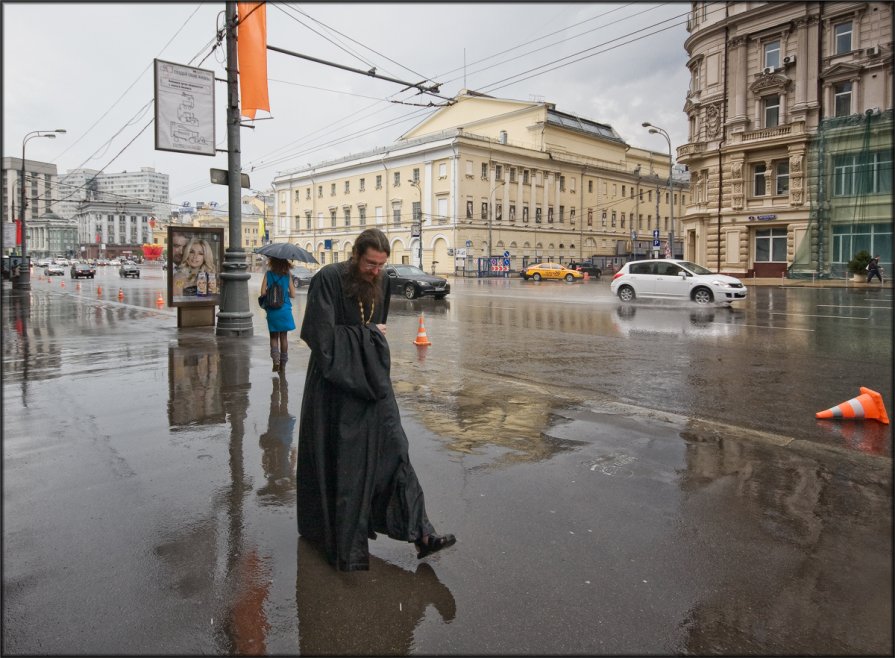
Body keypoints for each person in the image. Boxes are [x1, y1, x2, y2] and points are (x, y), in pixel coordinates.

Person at [296, 227, 456, 571]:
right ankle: (347, 548)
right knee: (349, 466)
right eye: (370, 264)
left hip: (372, 384)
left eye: (380, 265)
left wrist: (368, 338)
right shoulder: (328, 278)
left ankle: (422, 534)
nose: (375, 271)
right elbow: (319, 338)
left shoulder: (381, 281)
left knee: (396, 451)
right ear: (356, 255)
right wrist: (366, 334)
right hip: (336, 389)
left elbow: (375, 332)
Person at [259, 256, 296, 371]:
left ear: (272, 262)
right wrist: (284, 294)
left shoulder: (268, 274)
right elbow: (293, 294)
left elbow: (263, 292)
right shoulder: (287, 275)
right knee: (283, 337)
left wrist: (272, 292)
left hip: (272, 310)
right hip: (285, 309)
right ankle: (283, 365)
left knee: (274, 336)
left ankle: (275, 360)